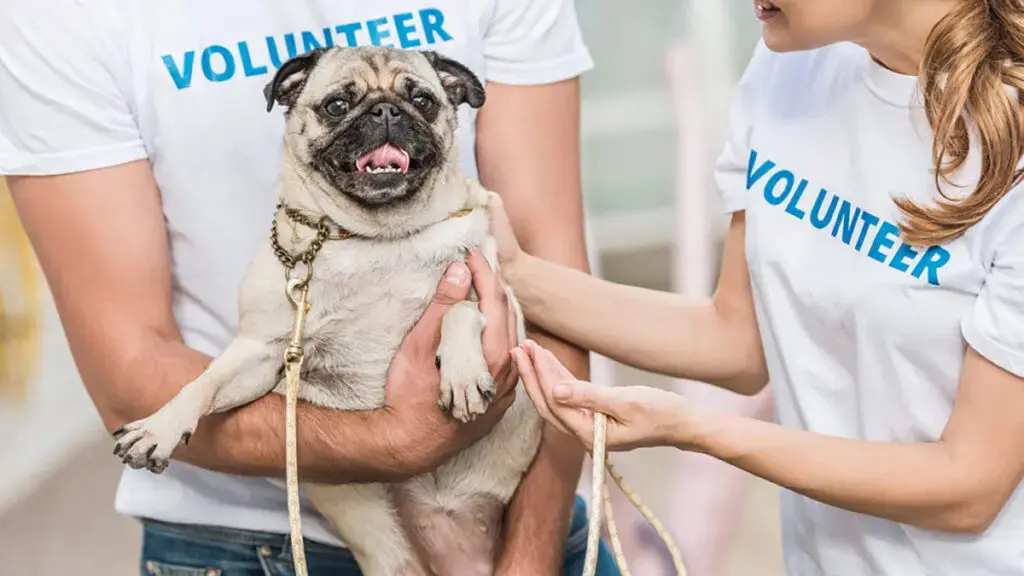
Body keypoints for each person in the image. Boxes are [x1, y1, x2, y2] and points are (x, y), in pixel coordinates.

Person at [0, 0, 621, 574]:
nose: (381, 120)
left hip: (523, 518)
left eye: (417, 104)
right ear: (290, 103)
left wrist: (529, 559)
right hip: (244, 541)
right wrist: (398, 442)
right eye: (340, 107)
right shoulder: (63, 18)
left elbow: (558, 292)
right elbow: (128, 371)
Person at [485, 0, 1024, 574]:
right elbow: (739, 341)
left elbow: (968, 486)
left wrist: (693, 430)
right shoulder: (790, 65)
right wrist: (514, 273)